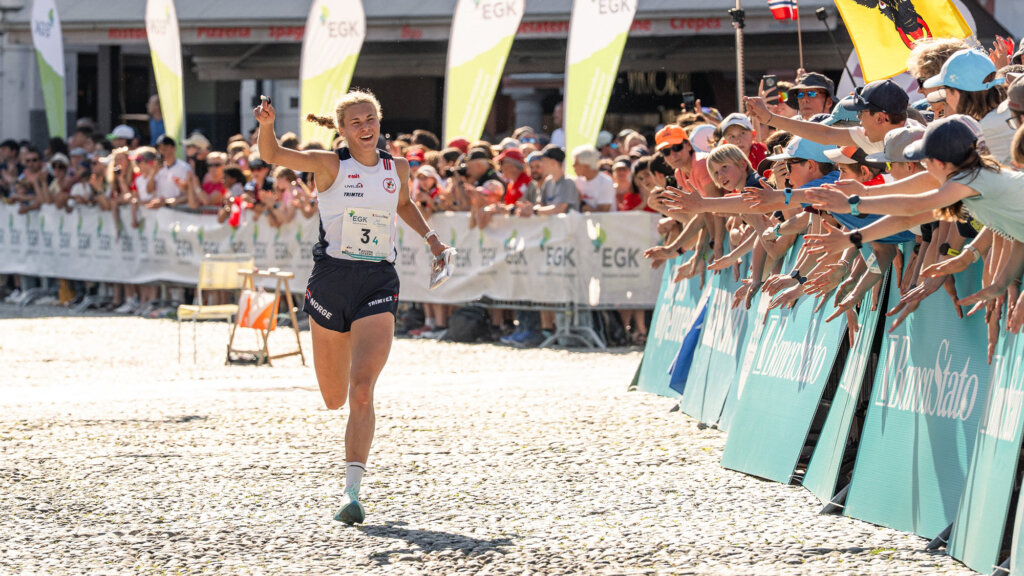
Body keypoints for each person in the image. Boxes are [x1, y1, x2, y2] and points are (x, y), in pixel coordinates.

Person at [254, 88, 449, 525]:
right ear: (341, 130)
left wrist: (431, 238)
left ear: (379, 123)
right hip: (330, 283)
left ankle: (352, 491)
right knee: (332, 397)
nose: (365, 128)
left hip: (378, 280)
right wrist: (266, 126)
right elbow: (273, 155)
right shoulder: (328, 164)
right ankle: (339, 375)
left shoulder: (396, 167)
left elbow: (402, 203)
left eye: (370, 120)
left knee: (362, 389)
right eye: (355, 122)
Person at [572, 145, 616, 212]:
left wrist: (582, 204)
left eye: (576, 163)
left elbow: (602, 213)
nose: (573, 166)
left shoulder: (606, 182)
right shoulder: (576, 181)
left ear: (586, 166)